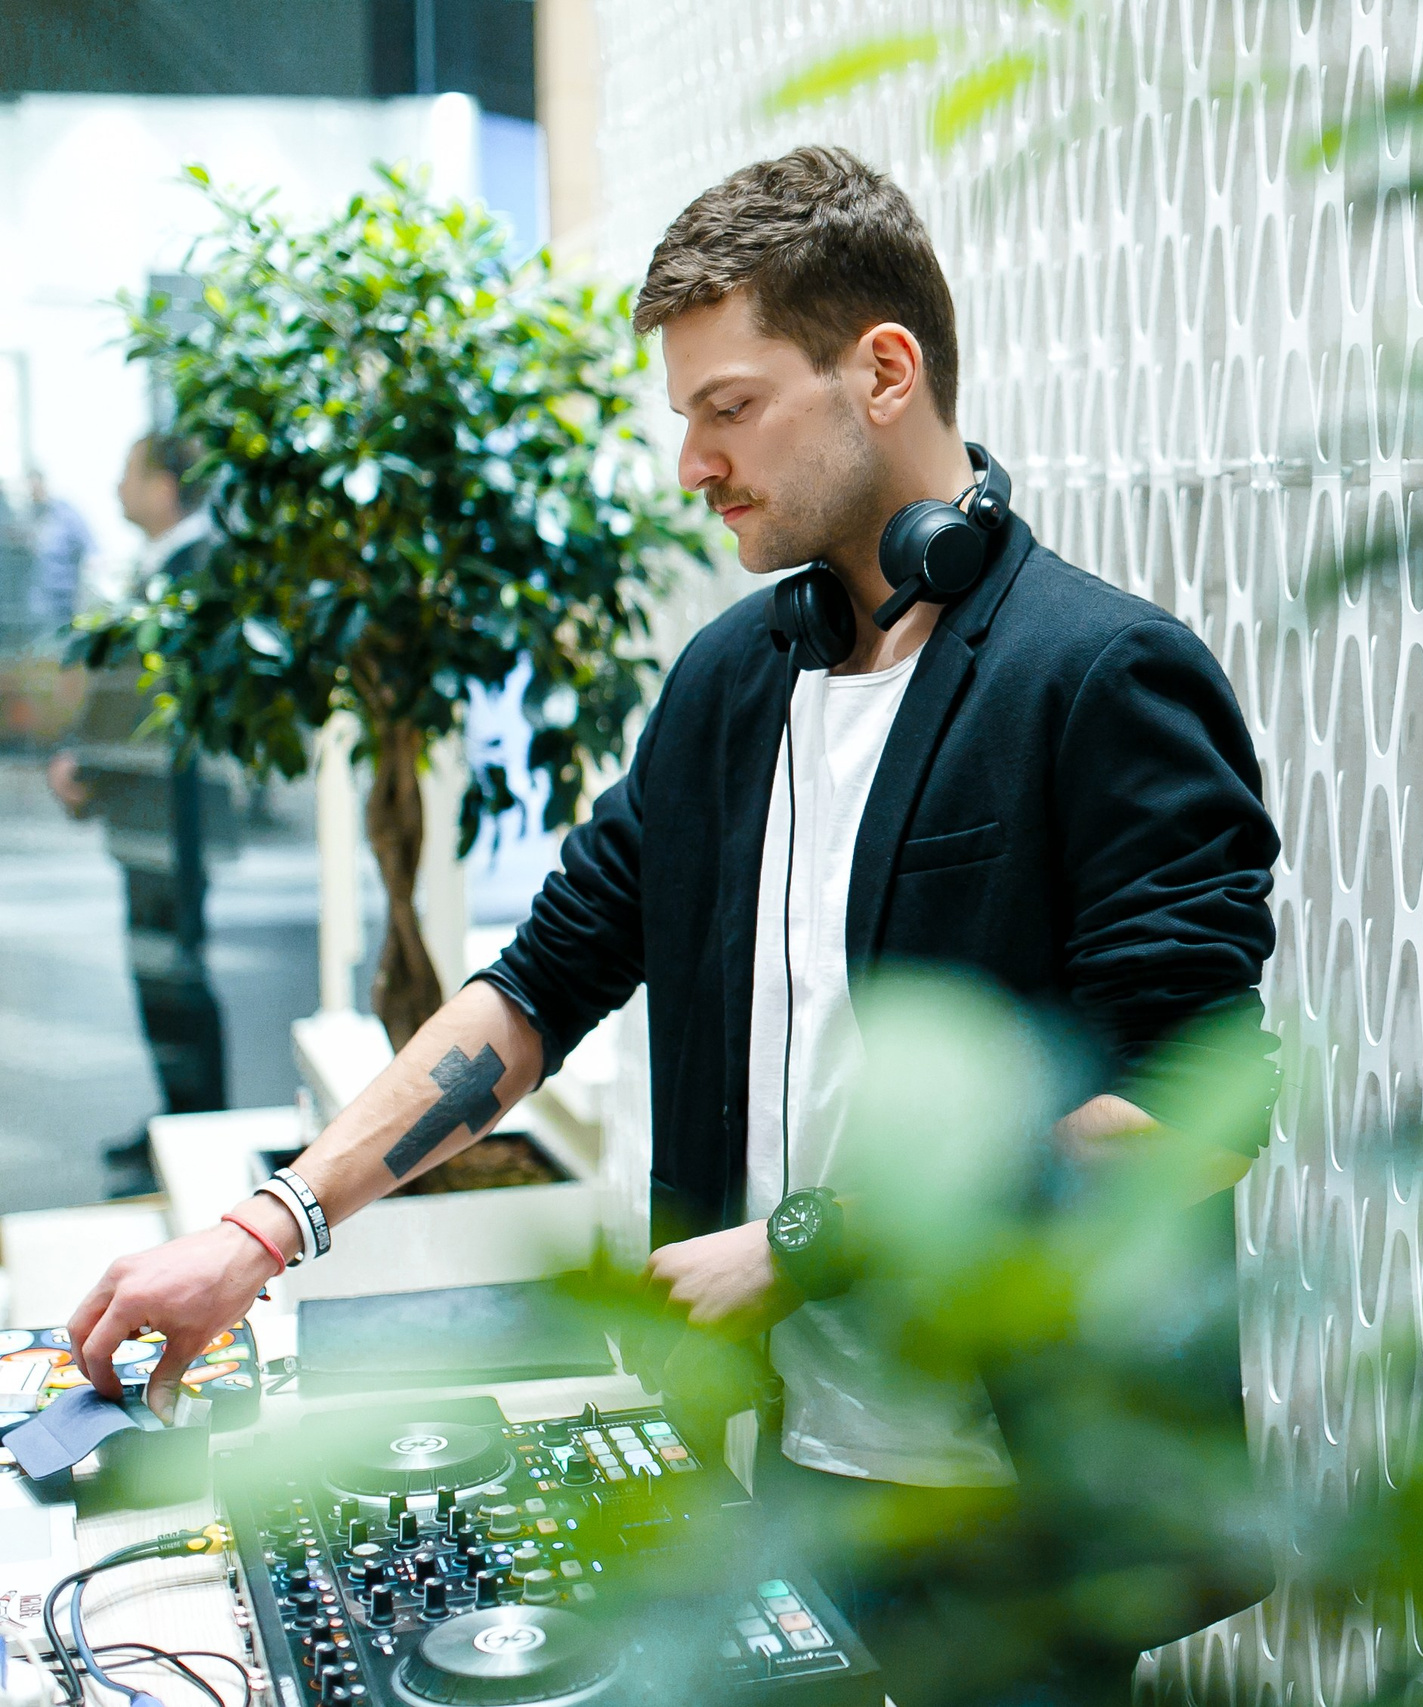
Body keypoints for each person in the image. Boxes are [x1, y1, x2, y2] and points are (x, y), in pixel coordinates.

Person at [64, 149, 1279, 1700]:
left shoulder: (1101, 676)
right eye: (682, 416)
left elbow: (1181, 1114)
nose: (692, 463)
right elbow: (534, 989)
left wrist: (806, 1244)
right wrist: (260, 1232)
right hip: (775, 1472)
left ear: (883, 371)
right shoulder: (729, 685)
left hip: (1020, 1513)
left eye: (729, 405)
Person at [48, 437, 230, 1195]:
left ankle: (197, 1131)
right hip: (151, 820)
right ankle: (178, 1124)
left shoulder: (193, 569)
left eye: (127, 474)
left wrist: (86, 766)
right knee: (161, 974)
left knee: (174, 974)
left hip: (170, 821)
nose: (116, 488)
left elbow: (145, 697)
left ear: (162, 485)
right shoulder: (172, 566)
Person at [25, 470, 94, 635]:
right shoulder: (26, 515)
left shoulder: (64, 513)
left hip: (64, 599)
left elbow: (90, 547)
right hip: (35, 604)